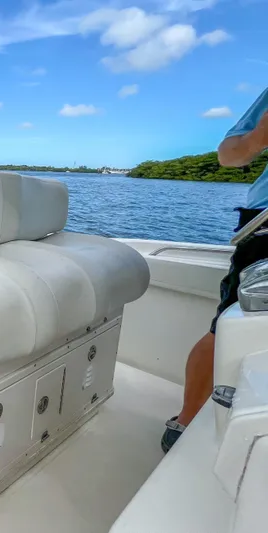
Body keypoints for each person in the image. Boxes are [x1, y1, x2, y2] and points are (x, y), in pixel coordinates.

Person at [162, 87, 268, 453]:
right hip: (265, 224)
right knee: (226, 326)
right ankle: (187, 419)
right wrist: (258, 139)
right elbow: (227, 155)